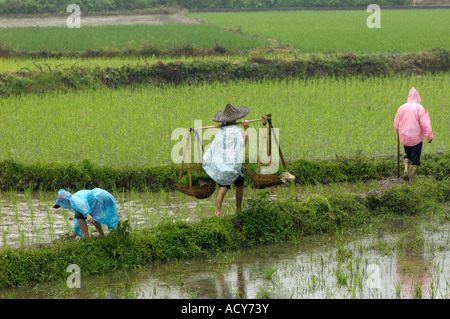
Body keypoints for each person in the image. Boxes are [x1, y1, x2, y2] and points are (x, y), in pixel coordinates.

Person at [203, 104, 250, 216]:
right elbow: (243, 143)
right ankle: (238, 210)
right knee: (241, 184)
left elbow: (216, 147)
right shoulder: (235, 131)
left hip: (222, 167)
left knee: (223, 187)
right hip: (233, 166)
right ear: (235, 118)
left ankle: (217, 212)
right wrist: (247, 128)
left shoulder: (221, 131)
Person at [394, 87, 433, 182]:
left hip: (404, 136)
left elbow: (396, 122)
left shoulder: (402, 107)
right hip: (416, 137)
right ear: (418, 98)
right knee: (415, 158)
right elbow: (425, 123)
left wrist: (398, 131)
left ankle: (406, 171)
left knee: (407, 154)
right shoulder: (419, 108)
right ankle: (411, 179)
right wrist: (429, 136)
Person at [52, 188, 119, 238]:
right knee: (91, 216)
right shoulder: (76, 202)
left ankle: (87, 239)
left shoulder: (74, 198)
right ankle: (103, 236)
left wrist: (87, 214)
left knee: (80, 215)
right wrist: (73, 236)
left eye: (62, 204)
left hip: (98, 197)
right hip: (106, 195)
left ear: (64, 201)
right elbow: (77, 222)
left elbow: (82, 204)